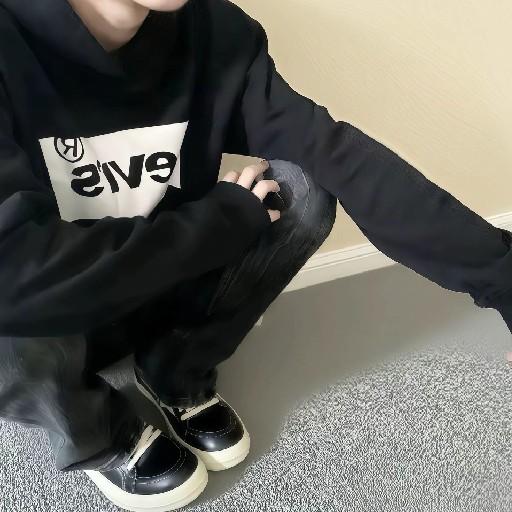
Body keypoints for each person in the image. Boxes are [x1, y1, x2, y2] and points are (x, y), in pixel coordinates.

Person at [0, 0, 511, 510]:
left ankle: (174, 370)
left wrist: (506, 281)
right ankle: (99, 432)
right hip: (45, 331)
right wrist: (217, 223)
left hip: (158, 291)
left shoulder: (215, 31)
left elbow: (337, 156)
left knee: (301, 191)